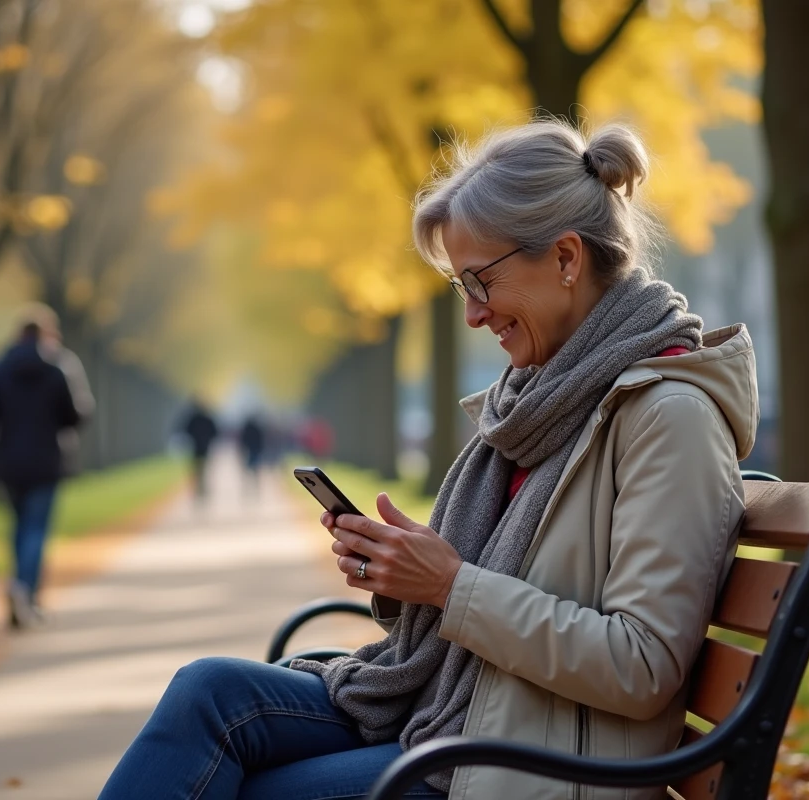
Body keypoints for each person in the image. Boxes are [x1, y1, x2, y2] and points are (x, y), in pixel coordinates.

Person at [97, 120, 758, 800]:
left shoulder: (667, 417)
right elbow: (518, 587)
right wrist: (409, 576)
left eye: (481, 282)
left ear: (565, 259)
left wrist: (451, 586)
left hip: (541, 764)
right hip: (467, 714)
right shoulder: (547, 400)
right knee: (208, 692)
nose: (473, 315)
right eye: (460, 289)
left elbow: (641, 666)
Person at [0, 305, 87, 630]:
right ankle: (25, 591)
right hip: (46, 461)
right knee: (36, 530)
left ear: (19, 334)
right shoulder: (56, 369)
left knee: (20, 528)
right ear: (45, 334)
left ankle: (22, 590)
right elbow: (75, 416)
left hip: (9, 463)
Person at [180, 399, 219, 502]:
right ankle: (202, 489)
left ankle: (199, 489)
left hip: (196, 448)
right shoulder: (207, 419)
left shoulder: (193, 419)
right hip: (204, 447)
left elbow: (186, 430)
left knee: (197, 470)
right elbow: (215, 432)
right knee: (203, 469)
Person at [238, 413, 266, 496]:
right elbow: (261, 440)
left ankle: (248, 487)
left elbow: (243, 440)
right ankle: (255, 486)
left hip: (249, 451)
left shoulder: (246, 429)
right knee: (255, 470)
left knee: (248, 470)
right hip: (255, 450)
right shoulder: (257, 428)